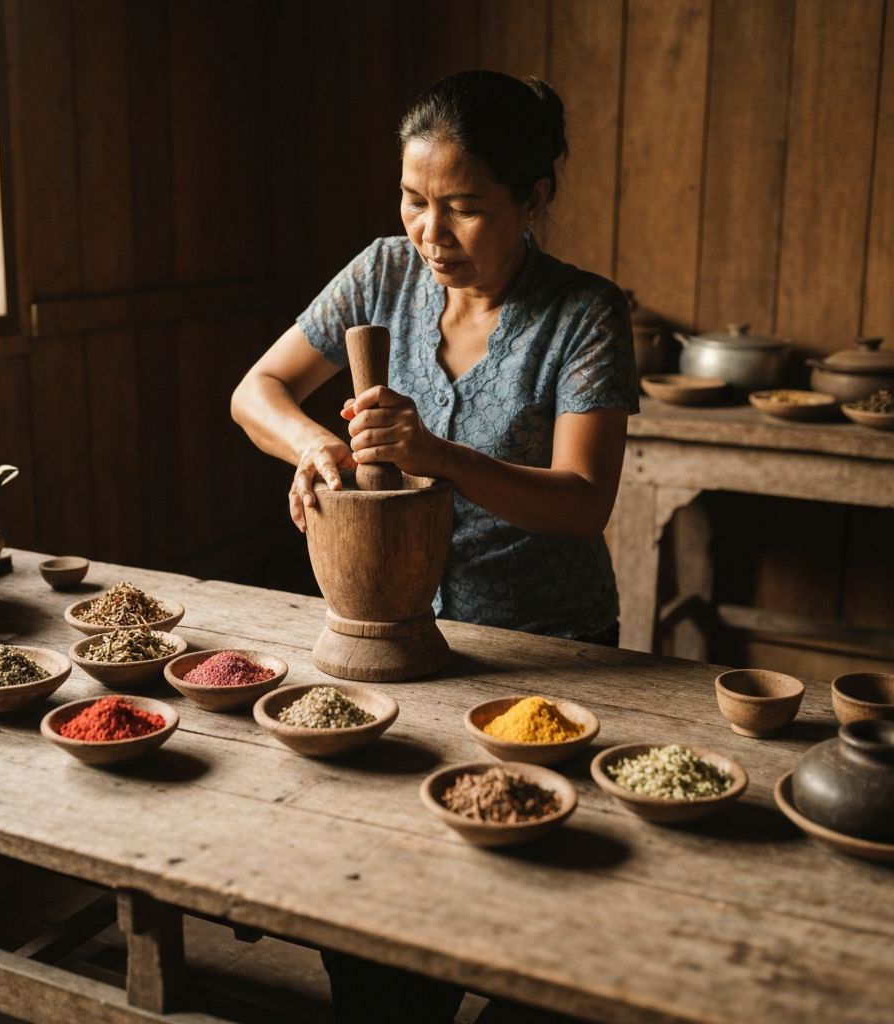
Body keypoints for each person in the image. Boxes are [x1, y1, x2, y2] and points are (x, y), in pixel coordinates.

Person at [231, 69, 638, 1023]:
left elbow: (584, 503)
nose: (430, 232)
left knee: (529, 918)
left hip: (538, 653)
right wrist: (315, 446)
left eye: (465, 208)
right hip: (390, 643)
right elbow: (256, 393)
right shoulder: (382, 273)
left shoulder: (583, 314)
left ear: (533, 199)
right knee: (377, 921)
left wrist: (437, 455)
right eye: (414, 199)